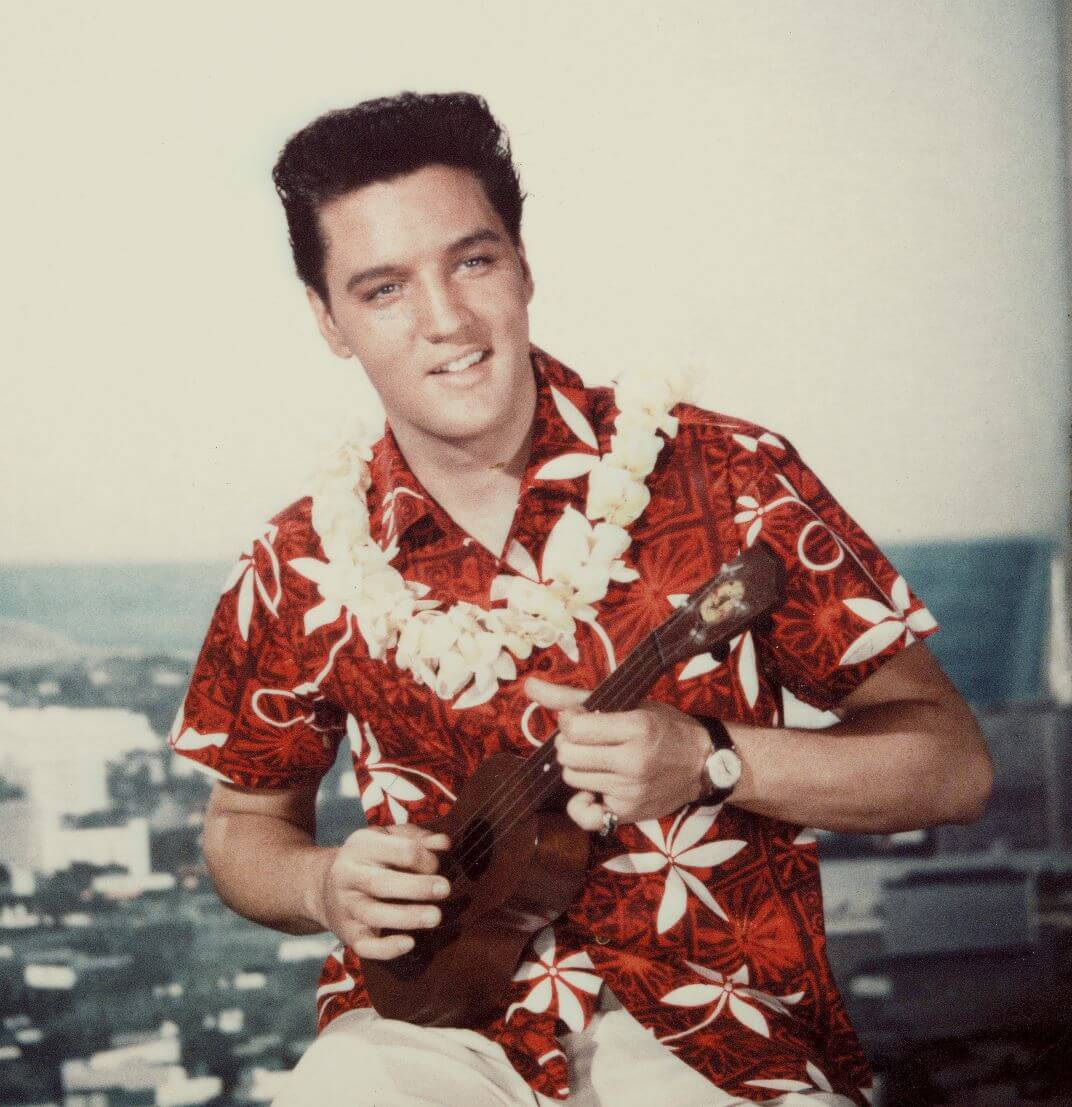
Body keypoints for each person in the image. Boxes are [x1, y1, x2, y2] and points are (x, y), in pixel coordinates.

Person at [167, 91, 992, 1106]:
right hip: (428, 1028)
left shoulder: (727, 476)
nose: (446, 320)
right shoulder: (299, 560)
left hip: (722, 1034)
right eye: (383, 289)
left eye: (472, 261)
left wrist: (713, 758)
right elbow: (244, 821)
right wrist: (318, 884)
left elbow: (952, 766)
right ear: (329, 320)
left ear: (522, 266)